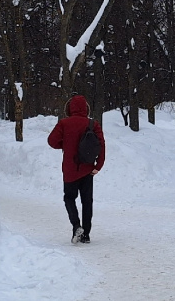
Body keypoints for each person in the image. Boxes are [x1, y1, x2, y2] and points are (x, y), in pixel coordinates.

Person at [47, 94, 105, 244]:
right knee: (87, 201)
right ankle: (86, 234)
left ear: (70, 108)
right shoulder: (93, 124)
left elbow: (52, 141)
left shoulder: (64, 123)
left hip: (70, 169)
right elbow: (101, 146)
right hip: (87, 169)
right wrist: (98, 166)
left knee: (69, 198)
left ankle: (76, 226)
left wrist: (65, 144)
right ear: (86, 108)